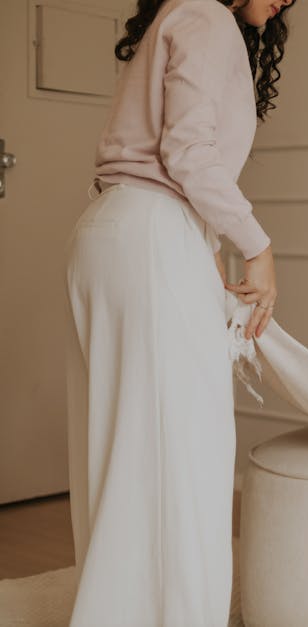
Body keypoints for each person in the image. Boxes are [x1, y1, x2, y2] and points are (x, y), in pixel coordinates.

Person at [63, 0, 293, 624]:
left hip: (110, 232)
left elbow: (161, 156)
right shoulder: (210, 18)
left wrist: (204, 247)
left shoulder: (176, 15)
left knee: (116, 453)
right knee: (187, 455)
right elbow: (189, 150)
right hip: (150, 236)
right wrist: (258, 247)